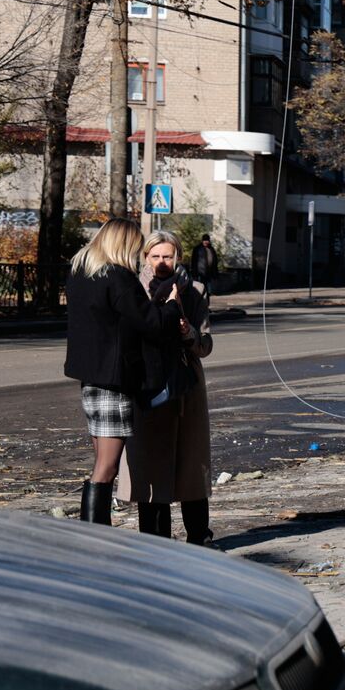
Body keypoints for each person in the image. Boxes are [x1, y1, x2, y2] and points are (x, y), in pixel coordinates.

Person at [64, 218, 182, 525]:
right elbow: (150, 323)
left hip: (90, 376)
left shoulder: (81, 273)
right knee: (107, 465)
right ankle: (95, 537)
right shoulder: (118, 277)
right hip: (113, 380)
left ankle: (94, 534)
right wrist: (170, 307)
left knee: (102, 461)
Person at [117, 231, 216, 545]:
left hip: (187, 385)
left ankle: (198, 538)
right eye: (155, 256)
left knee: (191, 464)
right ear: (145, 257)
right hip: (149, 383)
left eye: (168, 256)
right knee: (151, 464)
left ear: (179, 258)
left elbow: (206, 344)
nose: (162, 262)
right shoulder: (133, 290)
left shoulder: (196, 290)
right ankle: (155, 542)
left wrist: (188, 334)